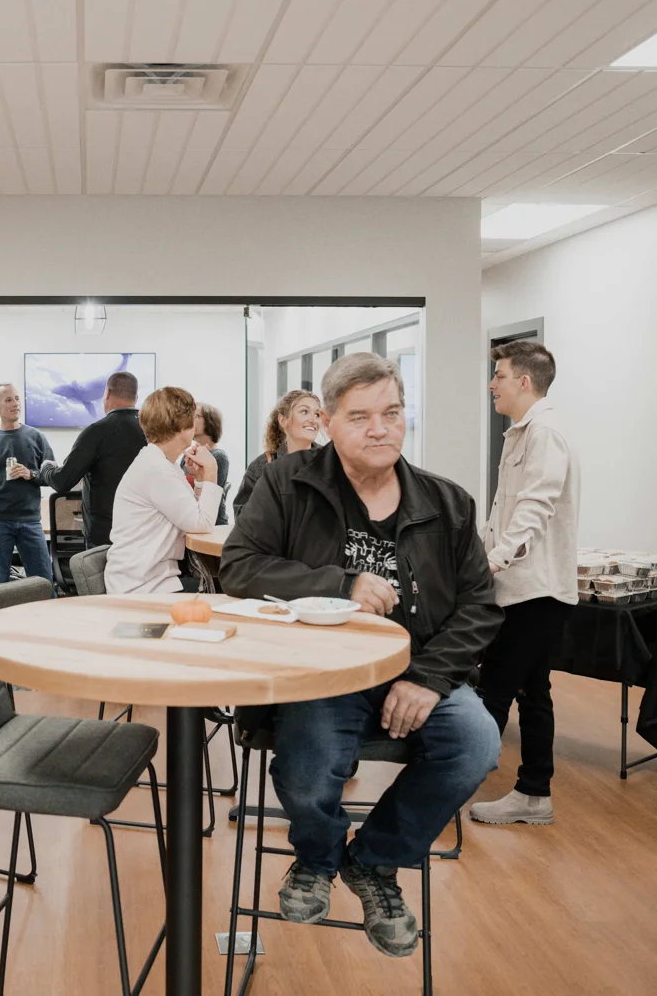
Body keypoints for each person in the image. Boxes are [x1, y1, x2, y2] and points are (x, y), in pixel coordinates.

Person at [220, 353, 501, 957]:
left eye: (392, 413)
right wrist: (337, 583)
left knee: (475, 743)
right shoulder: (287, 482)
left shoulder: (447, 504)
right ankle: (318, 857)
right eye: (360, 417)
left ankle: (374, 862)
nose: (380, 429)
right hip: (321, 670)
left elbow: (479, 606)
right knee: (307, 765)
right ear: (326, 420)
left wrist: (426, 678)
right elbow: (239, 567)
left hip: (417, 671)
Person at [471, 340, 580, 827]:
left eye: (498, 375)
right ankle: (535, 794)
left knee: (493, 689)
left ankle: (438, 789)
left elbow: (535, 507)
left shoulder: (545, 434)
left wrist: (493, 560)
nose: (491, 385)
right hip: (522, 586)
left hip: (534, 589)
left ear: (524, 381)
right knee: (534, 692)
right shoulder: (523, 432)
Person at [103, 387, 224, 595]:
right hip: (145, 587)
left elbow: (193, 516)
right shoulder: (157, 470)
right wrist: (212, 472)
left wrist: (201, 480)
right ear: (183, 426)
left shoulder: (162, 464)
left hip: (150, 578)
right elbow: (202, 524)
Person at [36, 370, 144, 548]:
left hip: (106, 538)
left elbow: (62, 481)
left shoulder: (96, 432)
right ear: (136, 396)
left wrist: (47, 467)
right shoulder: (154, 431)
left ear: (107, 393)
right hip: (144, 534)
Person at [0, 383, 55, 586]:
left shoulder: (36, 437)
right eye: (8, 400)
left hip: (31, 521)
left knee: (43, 583)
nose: (15, 404)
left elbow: (53, 476)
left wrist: (31, 474)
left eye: (17, 398)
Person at [232, 389, 321, 519]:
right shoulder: (262, 466)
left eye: (317, 414)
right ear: (283, 420)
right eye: (304, 412)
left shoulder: (332, 461)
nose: (313, 420)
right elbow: (241, 517)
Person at [194, 402, 230, 524]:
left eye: (196, 416)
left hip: (213, 524)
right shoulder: (190, 455)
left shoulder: (219, 456)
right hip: (193, 520)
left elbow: (209, 496)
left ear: (210, 421)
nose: (190, 420)